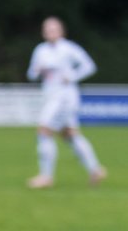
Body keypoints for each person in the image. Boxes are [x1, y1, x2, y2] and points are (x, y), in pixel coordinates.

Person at [26, 16, 106, 189]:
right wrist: (36, 70)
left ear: (61, 31)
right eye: (47, 29)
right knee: (70, 134)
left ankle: (46, 176)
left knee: (44, 130)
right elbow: (31, 74)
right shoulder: (40, 50)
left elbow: (89, 66)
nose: (50, 32)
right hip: (50, 96)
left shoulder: (69, 49)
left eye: (53, 29)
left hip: (65, 97)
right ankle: (95, 169)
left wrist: (71, 76)